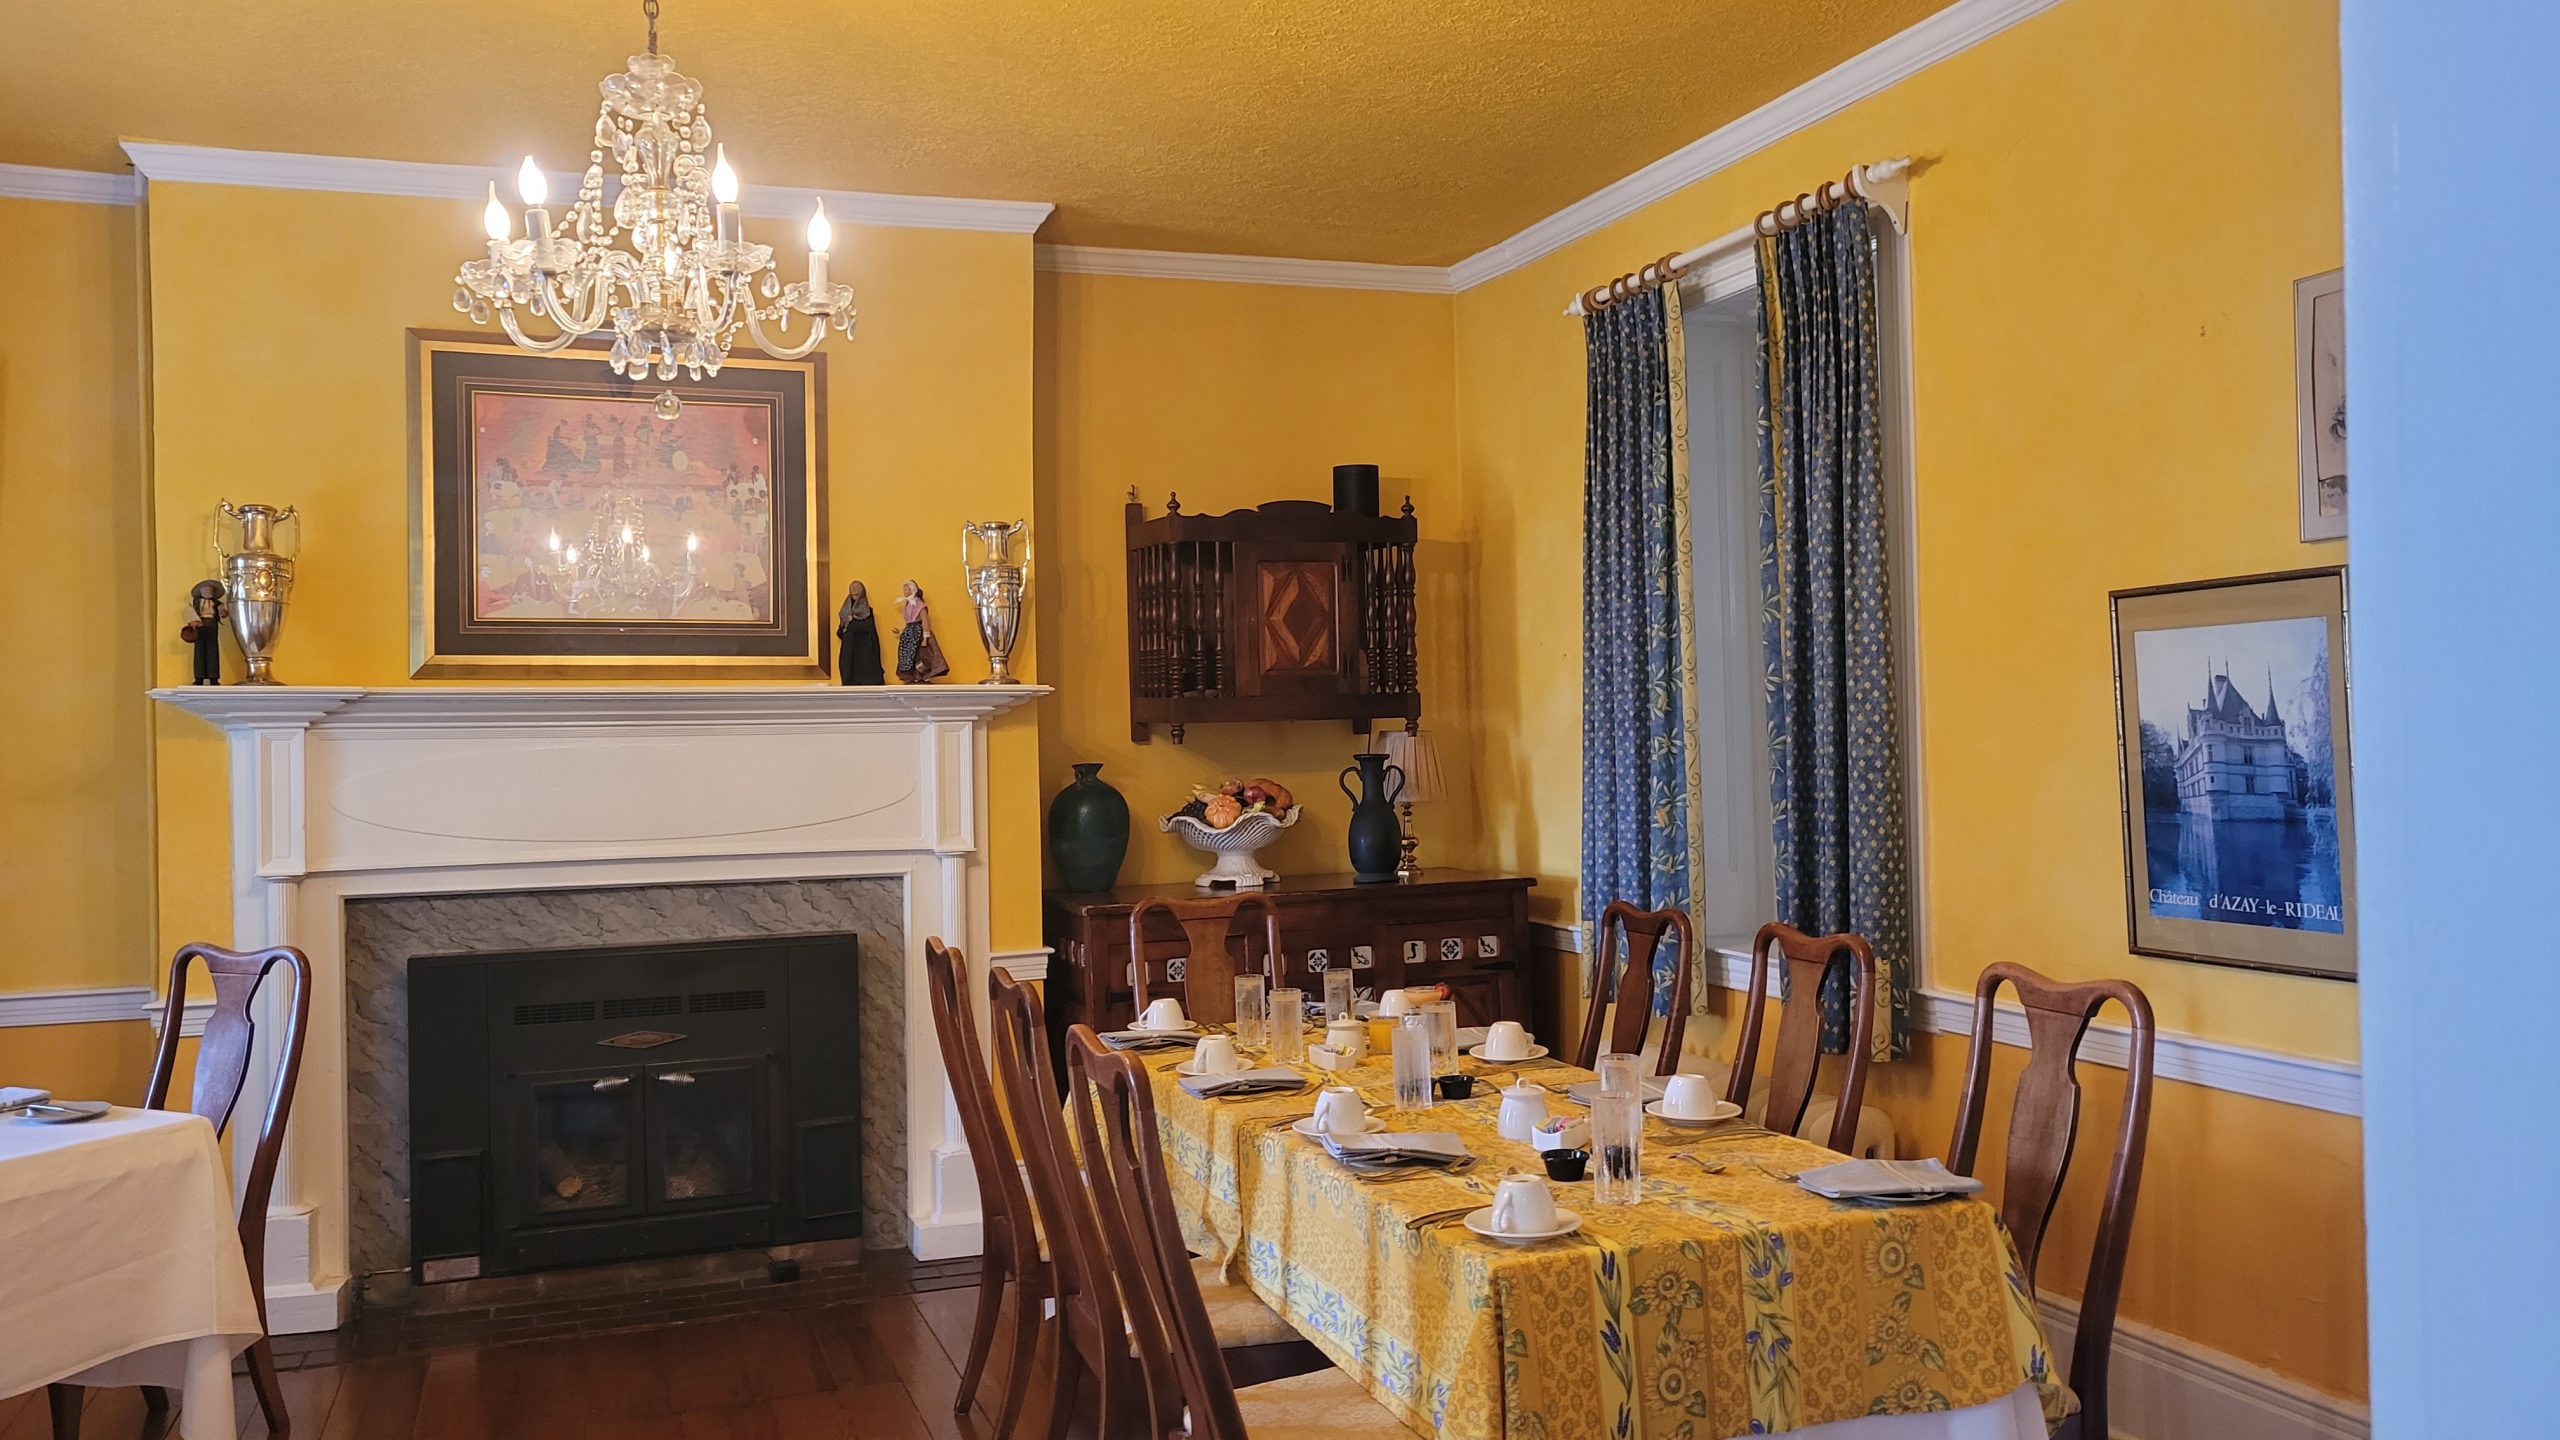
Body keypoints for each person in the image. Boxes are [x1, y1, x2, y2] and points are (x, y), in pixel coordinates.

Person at [895, 580, 951, 684]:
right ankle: (912, 675)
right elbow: (908, 621)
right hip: (909, 633)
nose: (904, 591)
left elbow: (925, 621)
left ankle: (923, 675)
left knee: (921, 655)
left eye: (906, 589)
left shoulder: (919, 604)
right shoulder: (907, 604)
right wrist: (901, 632)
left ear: (913, 590)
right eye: (904, 589)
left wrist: (925, 638)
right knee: (908, 655)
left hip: (918, 632)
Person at [835, 580, 885, 685]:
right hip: (849, 650)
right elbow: (841, 633)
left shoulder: (867, 611)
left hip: (863, 651)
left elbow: (868, 628)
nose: (854, 590)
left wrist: (853, 622)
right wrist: (844, 624)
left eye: (857, 587)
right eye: (852, 587)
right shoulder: (845, 611)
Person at [180, 579, 227, 685]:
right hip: (199, 627)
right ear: (201, 591)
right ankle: (199, 677)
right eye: (205, 589)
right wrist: (194, 621)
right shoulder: (195, 603)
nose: (208, 591)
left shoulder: (217, 603)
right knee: (199, 652)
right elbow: (190, 612)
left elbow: (223, 614)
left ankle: (213, 677)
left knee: (213, 651)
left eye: (210, 590)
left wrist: (223, 611)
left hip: (212, 626)